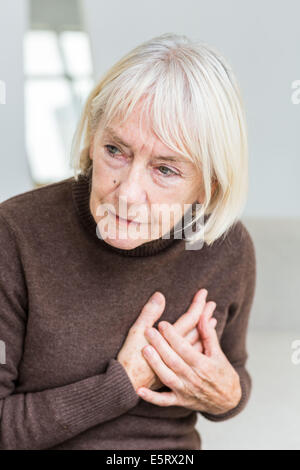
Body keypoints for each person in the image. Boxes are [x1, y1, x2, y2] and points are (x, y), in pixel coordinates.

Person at [0, 33, 256, 450]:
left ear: (207, 186)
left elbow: (232, 372)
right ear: (91, 140)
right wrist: (122, 384)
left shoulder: (224, 247)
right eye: (116, 150)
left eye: (166, 170)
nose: (127, 193)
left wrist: (229, 395)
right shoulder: (15, 233)